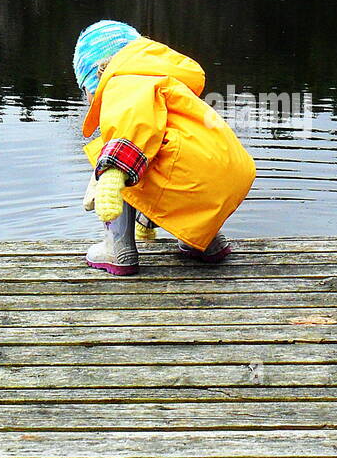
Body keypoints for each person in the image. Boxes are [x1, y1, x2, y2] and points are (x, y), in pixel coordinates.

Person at [73, 20, 256, 276]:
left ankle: (119, 250)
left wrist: (111, 176)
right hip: (232, 175)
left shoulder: (123, 83)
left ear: (96, 76)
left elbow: (131, 130)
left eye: (85, 89)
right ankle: (206, 243)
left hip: (191, 179)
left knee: (113, 155)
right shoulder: (162, 78)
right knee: (160, 154)